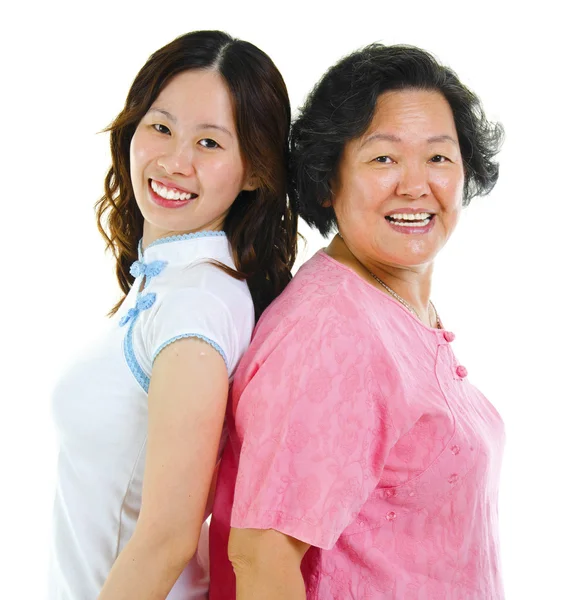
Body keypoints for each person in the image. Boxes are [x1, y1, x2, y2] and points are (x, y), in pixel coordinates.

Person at [210, 44, 505, 599]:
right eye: (383, 158)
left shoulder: (387, 305)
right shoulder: (331, 333)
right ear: (327, 180)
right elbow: (261, 558)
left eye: (438, 158)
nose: (416, 185)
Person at [49, 30, 296, 600]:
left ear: (255, 170)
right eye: (160, 127)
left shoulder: (196, 307)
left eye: (210, 143)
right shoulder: (173, 282)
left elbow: (167, 538)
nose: (174, 161)